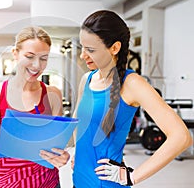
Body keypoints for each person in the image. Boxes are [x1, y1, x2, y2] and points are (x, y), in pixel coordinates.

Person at [71, 10, 192, 187]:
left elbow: (181, 137)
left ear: (114, 48)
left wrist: (132, 177)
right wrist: (78, 152)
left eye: (91, 49)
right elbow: (78, 122)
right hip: (79, 179)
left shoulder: (132, 83)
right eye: (83, 47)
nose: (83, 55)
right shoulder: (86, 79)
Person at [0, 26, 70, 188]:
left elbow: (57, 143)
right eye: (29, 56)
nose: (37, 65)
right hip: (9, 183)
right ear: (15, 54)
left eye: (44, 58)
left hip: (49, 183)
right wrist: (39, 149)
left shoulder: (53, 94)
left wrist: (61, 155)